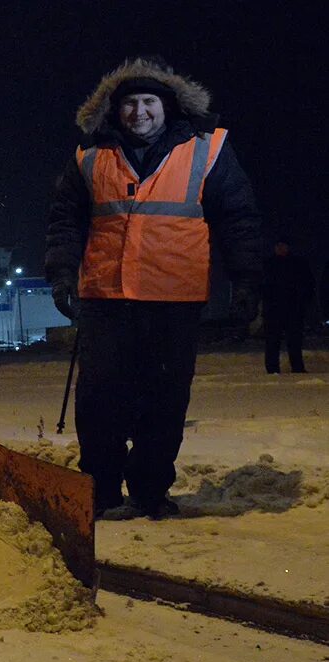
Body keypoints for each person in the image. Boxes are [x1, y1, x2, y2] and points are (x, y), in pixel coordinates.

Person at [45, 57, 263, 520]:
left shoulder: (209, 149)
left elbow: (238, 220)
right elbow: (66, 220)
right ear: (114, 109)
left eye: (148, 102)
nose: (139, 112)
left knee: (164, 401)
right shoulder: (89, 155)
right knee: (99, 401)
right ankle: (100, 491)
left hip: (174, 301)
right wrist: (62, 274)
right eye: (129, 104)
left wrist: (247, 279)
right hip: (106, 299)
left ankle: (149, 491)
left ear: (167, 107)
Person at [262, 240, 314, 373]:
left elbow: (308, 285)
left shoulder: (298, 264)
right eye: (278, 246)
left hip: (293, 309)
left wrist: (302, 303)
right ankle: (272, 369)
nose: (280, 248)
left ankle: (297, 367)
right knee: (273, 341)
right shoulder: (269, 264)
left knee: (294, 341)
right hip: (274, 310)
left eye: (282, 246)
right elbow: (262, 287)